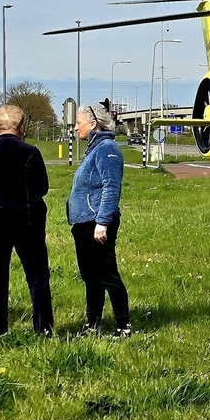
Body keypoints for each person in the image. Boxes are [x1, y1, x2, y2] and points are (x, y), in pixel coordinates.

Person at [0, 105, 54, 339]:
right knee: (37, 276)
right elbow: (42, 187)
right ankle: (44, 330)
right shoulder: (30, 152)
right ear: (21, 127)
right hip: (26, 219)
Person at [67, 100, 130, 338]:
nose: (75, 128)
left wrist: (102, 222)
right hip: (83, 223)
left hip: (96, 223)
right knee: (90, 276)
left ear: (93, 124)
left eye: (78, 123)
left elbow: (111, 187)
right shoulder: (94, 148)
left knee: (107, 275)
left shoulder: (107, 149)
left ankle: (124, 326)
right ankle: (92, 324)